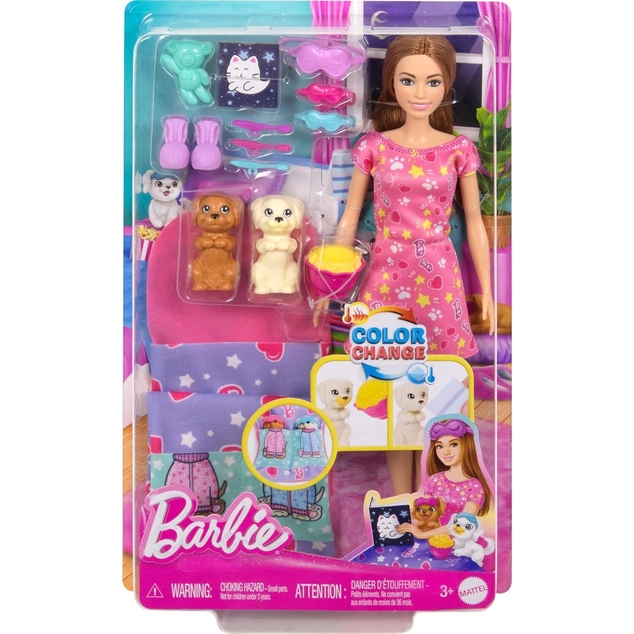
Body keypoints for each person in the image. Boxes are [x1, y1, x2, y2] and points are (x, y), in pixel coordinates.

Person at [334, 35, 494, 495]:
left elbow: (476, 223)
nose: (420, 93)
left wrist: (487, 289)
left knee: (438, 384)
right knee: (388, 379)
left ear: (447, 85)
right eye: (408, 81)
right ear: (392, 84)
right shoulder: (374, 147)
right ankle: (402, 497)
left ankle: (434, 492)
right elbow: (349, 217)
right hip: (385, 274)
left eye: (432, 82)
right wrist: (333, 281)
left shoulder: (458, 150)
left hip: (439, 276)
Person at [396, 416, 493, 540]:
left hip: (458, 544)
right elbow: (424, 512)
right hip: (431, 538)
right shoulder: (435, 480)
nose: (445, 452)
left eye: (453, 444)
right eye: (439, 446)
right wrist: (396, 514)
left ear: (467, 445)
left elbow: (461, 524)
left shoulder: (475, 486)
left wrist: (422, 535)